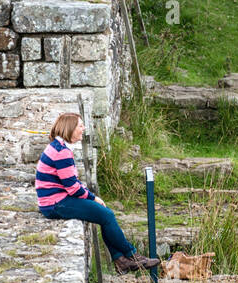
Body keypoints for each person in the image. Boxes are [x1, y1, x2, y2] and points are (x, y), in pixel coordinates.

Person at [35, 112, 158, 273]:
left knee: (104, 215)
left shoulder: (59, 147)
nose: (83, 128)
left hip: (55, 200)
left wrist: (89, 197)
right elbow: (72, 187)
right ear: (70, 129)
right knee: (106, 215)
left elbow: (71, 182)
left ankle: (121, 260)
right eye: (80, 125)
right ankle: (132, 256)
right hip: (55, 204)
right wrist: (93, 198)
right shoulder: (62, 152)